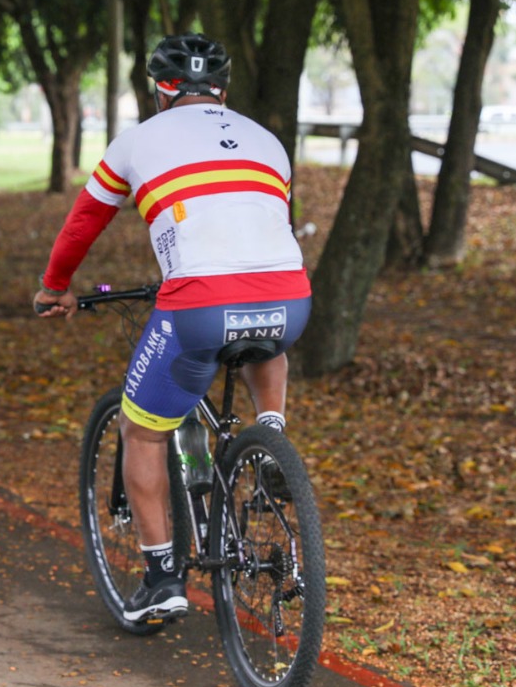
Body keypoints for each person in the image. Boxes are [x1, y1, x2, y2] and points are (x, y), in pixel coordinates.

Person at [33, 33, 311, 624]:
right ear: (223, 91)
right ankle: (272, 439)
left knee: (143, 432)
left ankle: (162, 580)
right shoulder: (267, 140)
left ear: (160, 91)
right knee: (266, 329)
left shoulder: (135, 142)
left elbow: (84, 223)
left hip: (200, 304)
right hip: (291, 296)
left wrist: (56, 286)